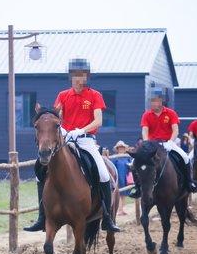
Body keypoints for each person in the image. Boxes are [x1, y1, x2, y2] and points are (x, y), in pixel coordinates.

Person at [24, 58, 120, 233]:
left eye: (81, 75)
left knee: (104, 173)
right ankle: (41, 217)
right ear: (71, 77)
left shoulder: (95, 95)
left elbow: (98, 120)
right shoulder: (63, 95)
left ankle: (106, 217)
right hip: (66, 139)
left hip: (86, 140)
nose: (78, 78)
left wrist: (81, 130)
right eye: (75, 75)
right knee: (40, 170)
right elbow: (54, 117)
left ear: (86, 76)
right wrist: (66, 131)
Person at [129, 86, 197, 198]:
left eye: (156, 100)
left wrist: (171, 141)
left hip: (168, 143)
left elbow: (175, 130)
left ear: (162, 101)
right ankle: (137, 187)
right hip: (152, 144)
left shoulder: (171, 113)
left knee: (185, 157)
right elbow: (144, 130)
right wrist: (146, 142)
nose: (154, 103)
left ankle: (189, 183)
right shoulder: (146, 114)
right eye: (152, 100)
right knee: (133, 163)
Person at [112, 140, 132, 215]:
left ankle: (122, 209)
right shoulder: (115, 158)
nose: (121, 149)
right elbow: (113, 168)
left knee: (124, 194)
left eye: (122, 147)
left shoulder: (127, 157)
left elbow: (131, 166)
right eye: (119, 148)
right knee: (119, 193)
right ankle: (119, 210)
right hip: (118, 177)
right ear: (117, 149)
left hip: (125, 177)